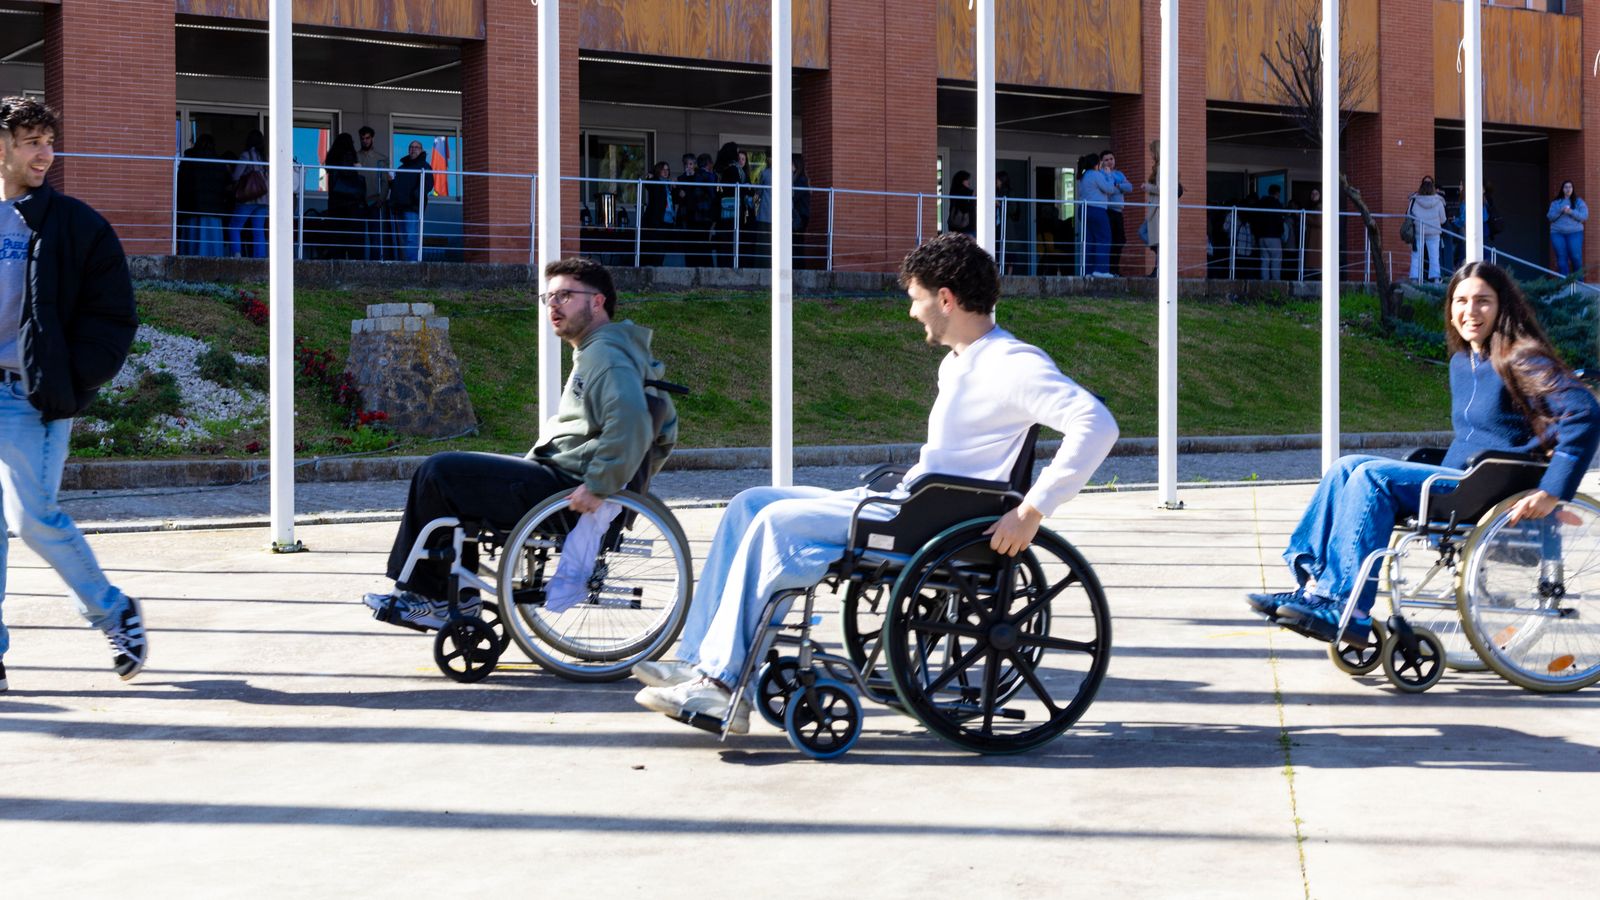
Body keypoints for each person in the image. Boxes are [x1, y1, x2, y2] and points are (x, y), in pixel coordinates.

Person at [631, 233, 1119, 732]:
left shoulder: (1012, 364)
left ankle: (719, 683)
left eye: (916, 299)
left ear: (946, 299)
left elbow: (1097, 424)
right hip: (914, 503)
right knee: (750, 503)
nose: (913, 313)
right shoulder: (962, 362)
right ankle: (698, 660)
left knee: (777, 522)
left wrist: (1032, 511)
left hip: (930, 522)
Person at [1247, 261, 1600, 646]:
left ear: (1503, 306)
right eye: (1461, 301)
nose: (1470, 311)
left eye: (1483, 300)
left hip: (1486, 486)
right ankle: (1314, 587)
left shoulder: (1521, 356)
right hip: (1460, 478)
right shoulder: (1463, 362)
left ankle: (1350, 608)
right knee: (1345, 467)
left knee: (1372, 478)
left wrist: (1553, 490)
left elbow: (1583, 412)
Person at [363, 257, 676, 628]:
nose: (553, 305)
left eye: (565, 295)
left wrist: (599, 485)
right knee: (455, 478)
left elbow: (632, 422)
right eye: (548, 297)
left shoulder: (606, 354)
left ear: (597, 302)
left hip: (564, 489)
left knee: (439, 472)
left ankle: (433, 599)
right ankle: (455, 598)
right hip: (561, 478)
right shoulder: (606, 349)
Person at [0, 97, 145, 692]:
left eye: (48, 141)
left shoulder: (73, 223)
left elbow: (113, 314)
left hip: (28, 395)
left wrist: (71, 378)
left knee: (33, 520)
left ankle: (113, 611)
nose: (44, 153)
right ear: (2, 147)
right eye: (31, 141)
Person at [323, 132, 364, 260]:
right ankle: (353, 265)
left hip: (335, 202)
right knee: (352, 237)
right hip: (349, 204)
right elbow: (347, 173)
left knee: (336, 236)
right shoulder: (348, 155)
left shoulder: (332, 156)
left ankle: (337, 262)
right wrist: (356, 167)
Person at [228, 129, 269, 258]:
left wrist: (229, 170)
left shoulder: (246, 155)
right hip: (264, 200)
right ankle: (260, 259)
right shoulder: (266, 157)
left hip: (248, 198)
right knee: (258, 230)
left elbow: (235, 176)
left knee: (234, 227)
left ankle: (237, 255)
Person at [389, 140, 430, 261]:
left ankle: (411, 265)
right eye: (411, 147)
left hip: (412, 207)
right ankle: (404, 263)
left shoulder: (425, 166)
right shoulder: (402, 168)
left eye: (416, 147)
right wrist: (391, 182)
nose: (413, 149)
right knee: (401, 238)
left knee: (411, 237)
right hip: (399, 208)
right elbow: (397, 188)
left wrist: (414, 197)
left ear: (421, 150)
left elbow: (428, 185)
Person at [1078, 153, 1116, 277]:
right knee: (1104, 238)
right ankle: (1101, 270)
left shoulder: (1083, 176)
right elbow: (1109, 189)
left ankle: (1088, 270)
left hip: (1084, 210)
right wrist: (1109, 175)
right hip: (1097, 210)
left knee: (1089, 240)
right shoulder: (1095, 174)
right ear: (1097, 164)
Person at [356, 126, 391, 261]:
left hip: (374, 202)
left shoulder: (382, 159)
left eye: (367, 138)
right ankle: (357, 265)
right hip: (358, 202)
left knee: (375, 236)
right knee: (358, 236)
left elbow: (385, 181)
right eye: (362, 138)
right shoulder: (354, 157)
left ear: (372, 138)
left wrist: (381, 200)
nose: (365, 141)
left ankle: (374, 265)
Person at [1099, 150, 1135, 276]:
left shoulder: (1119, 173)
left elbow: (1130, 187)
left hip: (1119, 212)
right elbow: (1109, 190)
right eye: (1106, 159)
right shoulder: (1101, 174)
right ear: (1102, 162)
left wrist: (1117, 185)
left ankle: (1115, 269)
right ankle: (1109, 270)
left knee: (1120, 240)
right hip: (1109, 211)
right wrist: (1119, 187)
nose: (1110, 161)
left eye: (1111, 159)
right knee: (1111, 240)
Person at [1406, 175, 1447, 283]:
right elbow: (1443, 220)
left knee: (1416, 255)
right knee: (1434, 256)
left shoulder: (1414, 200)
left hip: (1419, 232)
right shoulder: (1439, 201)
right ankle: (1436, 278)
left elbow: (1409, 216)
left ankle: (1414, 278)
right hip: (1434, 233)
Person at [1547, 180, 1588, 278]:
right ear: (1562, 189)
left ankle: (1579, 282)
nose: (1568, 189)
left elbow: (1584, 216)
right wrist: (1560, 211)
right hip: (1557, 233)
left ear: (1573, 189)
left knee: (1576, 257)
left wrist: (1571, 212)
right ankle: (1564, 283)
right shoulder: (1556, 202)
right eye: (1566, 187)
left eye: (1570, 187)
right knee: (1561, 258)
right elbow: (1550, 217)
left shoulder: (1578, 202)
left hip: (1575, 233)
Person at [641, 161, 674, 267]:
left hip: (668, 220)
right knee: (655, 247)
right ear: (658, 171)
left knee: (663, 247)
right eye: (663, 169)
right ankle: (654, 269)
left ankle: (658, 267)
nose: (665, 172)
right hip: (656, 220)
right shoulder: (655, 182)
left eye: (667, 169)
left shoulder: (669, 184)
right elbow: (648, 185)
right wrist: (650, 176)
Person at [1254, 184, 1286, 281]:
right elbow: (1279, 221)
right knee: (1276, 261)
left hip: (1262, 236)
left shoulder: (1261, 203)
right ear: (1277, 193)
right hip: (1274, 236)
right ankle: (1276, 284)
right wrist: (1282, 232)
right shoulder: (1277, 204)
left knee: (1264, 261)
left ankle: (1265, 282)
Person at [946, 170, 975, 237]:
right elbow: (965, 208)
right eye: (967, 180)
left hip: (953, 225)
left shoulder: (953, 191)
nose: (968, 182)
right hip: (966, 226)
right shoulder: (967, 192)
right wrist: (973, 198)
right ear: (961, 180)